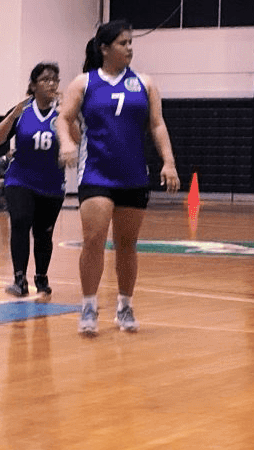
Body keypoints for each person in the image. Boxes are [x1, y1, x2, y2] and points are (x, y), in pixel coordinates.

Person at [56, 22, 179, 336]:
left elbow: (157, 125)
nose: (129, 48)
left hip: (134, 175)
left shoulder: (145, 83)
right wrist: (68, 143)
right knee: (94, 240)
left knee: (127, 244)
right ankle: (88, 305)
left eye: (130, 42)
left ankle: (125, 305)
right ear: (105, 48)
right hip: (96, 173)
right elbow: (64, 118)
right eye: (123, 42)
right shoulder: (85, 83)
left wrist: (169, 162)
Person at [0, 62, 66, 297]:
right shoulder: (22, 111)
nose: (52, 83)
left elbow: (77, 140)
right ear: (33, 85)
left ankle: (41, 276)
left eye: (55, 79)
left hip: (51, 183)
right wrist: (12, 115)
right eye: (45, 79)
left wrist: (70, 119)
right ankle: (19, 279)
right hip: (20, 179)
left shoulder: (63, 113)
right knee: (21, 222)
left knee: (44, 233)